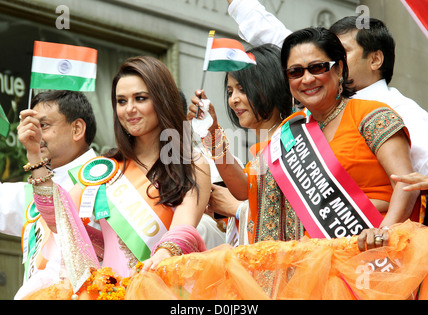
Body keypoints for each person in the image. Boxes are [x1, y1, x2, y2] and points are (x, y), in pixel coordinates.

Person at [18, 56, 211, 298]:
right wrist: (34, 154)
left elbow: (184, 225)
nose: (129, 109)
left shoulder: (191, 163)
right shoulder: (106, 167)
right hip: (107, 292)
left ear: (162, 100)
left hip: (160, 286)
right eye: (121, 101)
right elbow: (58, 219)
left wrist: (161, 256)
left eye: (140, 98)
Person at [226, 0, 428, 176]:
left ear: (375, 59)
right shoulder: (320, 99)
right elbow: (274, 35)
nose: (324, 62)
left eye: (342, 52)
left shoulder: (404, 113)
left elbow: (414, 180)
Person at [281, 27, 419, 250]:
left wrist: (384, 231)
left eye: (317, 68)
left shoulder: (372, 114)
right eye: (295, 72)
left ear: (339, 69)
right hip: (316, 258)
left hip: (376, 252)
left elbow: (406, 183)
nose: (307, 79)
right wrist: (214, 137)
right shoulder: (292, 132)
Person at [188, 44, 301, 245]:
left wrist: (237, 209)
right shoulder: (265, 148)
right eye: (230, 91)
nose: (233, 100)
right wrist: (211, 130)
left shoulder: (294, 138)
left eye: (242, 89)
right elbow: (243, 191)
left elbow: (297, 219)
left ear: (271, 84)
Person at [1, 90, 98, 299]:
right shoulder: (31, 193)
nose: (33, 135)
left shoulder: (111, 176)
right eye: (30, 126)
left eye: (43, 126)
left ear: (77, 129)